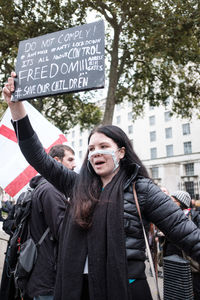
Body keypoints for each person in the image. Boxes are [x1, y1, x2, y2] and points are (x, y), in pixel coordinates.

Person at [3, 72, 200, 300]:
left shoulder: (141, 190)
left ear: (121, 152)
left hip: (125, 290)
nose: (96, 152)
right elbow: (37, 155)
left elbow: (189, 236)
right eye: (91, 148)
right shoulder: (76, 185)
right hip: (77, 291)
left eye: (103, 146)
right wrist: (17, 107)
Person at [0, 142, 76, 300]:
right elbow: (65, 233)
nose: (74, 165)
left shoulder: (40, 187)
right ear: (56, 161)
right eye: (70, 160)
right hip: (47, 280)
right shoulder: (51, 190)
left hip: (36, 277)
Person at [163, 190, 200, 300]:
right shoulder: (169, 217)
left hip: (191, 263)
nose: (170, 203)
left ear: (181, 202)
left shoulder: (195, 217)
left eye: (173, 201)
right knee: (174, 291)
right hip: (172, 261)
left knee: (194, 290)